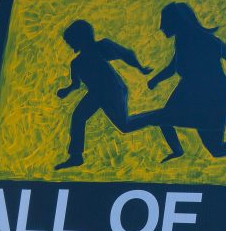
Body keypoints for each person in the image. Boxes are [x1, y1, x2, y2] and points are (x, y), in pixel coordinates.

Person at [128, 2, 226, 166]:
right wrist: (155, 80)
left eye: (165, 22)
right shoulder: (181, 40)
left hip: (212, 94)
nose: (161, 27)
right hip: (189, 89)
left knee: (214, 148)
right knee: (163, 118)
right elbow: (173, 67)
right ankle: (177, 150)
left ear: (176, 21)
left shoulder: (208, 40)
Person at [54, 19, 152, 170]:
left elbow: (126, 54)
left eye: (71, 41)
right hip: (96, 94)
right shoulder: (77, 63)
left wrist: (140, 67)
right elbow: (76, 84)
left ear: (80, 38)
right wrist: (67, 90)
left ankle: (156, 117)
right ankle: (76, 156)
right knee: (78, 116)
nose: (69, 45)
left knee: (125, 126)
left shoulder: (101, 47)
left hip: (113, 90)